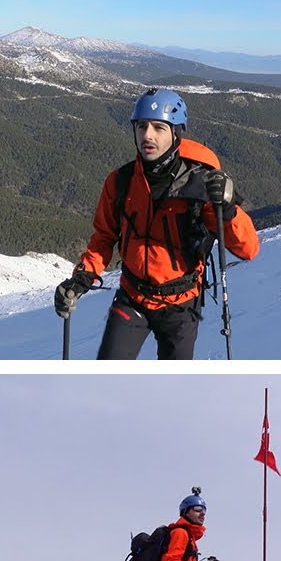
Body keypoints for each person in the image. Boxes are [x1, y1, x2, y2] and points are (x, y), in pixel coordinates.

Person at [53, 88, 260, 359]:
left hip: (181, 305)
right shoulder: (121, 182)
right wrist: (82, 278)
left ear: (176, 133)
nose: (147, 135)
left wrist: (229, 208)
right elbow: (103, 238)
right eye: (141, 126)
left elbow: (248, 249)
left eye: (159, 127)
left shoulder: (202, 185)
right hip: (133, 297)